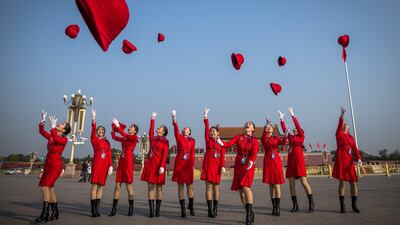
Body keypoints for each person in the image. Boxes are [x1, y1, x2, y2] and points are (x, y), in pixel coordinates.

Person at [36, 110, 71, 223]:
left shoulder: (64, 139)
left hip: (56, 165)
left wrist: (52, 126)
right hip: (48, 163)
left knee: (45, 187)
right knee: (50, 188)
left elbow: (56, 139)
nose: (58, 124)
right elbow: (41, 132)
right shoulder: (52, 135)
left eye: (61, 124)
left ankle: (45, 213)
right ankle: (55, 212)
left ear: (64, 130)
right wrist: (43, 120)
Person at [222, 120, 258, 225]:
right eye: (246, 123)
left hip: (248, 165)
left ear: (253, 129)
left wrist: (251, 161)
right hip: (239, 165)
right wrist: (220, 142)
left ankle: (248, 217)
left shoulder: (255, 140)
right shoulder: (239, 137)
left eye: (250, 124)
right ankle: (250, 211)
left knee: (246, 186)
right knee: (241, 192)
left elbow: (254, 152)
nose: (248, 124)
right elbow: (228, 144)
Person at [281, 107, 314, 212]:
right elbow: (285, 130)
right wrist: (281, 119)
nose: (295, 130)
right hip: (291, 162)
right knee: (291, 183)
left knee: (304, 182)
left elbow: (298, 126)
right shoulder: (290, 137)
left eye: (296, 130)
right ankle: (295, 205)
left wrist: (293, 115)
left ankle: (311, 203)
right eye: (294, 130)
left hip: (299, 161)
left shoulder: (301, 136)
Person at [332, 106, 362, 213]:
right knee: (342, 184)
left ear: (349, 128)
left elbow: (355, 149)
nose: (345, 125)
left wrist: (359, 158)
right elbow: (340, 124)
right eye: (344, 124)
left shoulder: (351, 138)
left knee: (353, 183)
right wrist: (342, 115)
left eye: (347, 125)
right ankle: (342, 206)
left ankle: (354, 205)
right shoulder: (339, 134)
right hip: (341, 160)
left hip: (349, 162)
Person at [140, 112, 169, 218]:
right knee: (150, 187)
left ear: (164, 131)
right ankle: (151, 210)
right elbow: (151, 131)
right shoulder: (153, 138)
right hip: (150, 164)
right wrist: (152, 119)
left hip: (159, 166)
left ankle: (158, 210)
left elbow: (165, 154)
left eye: (161, 127)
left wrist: (162, 166)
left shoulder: (165, 141)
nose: (159, 128)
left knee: (159, 188)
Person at [109, 118, 139, 216]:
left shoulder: (135, 138)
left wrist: (118, 126)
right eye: (130, 127)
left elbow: (124, 134)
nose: (129, 128)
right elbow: (114, 137)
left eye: (132, 127)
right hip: (121, 161)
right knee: (117, 185)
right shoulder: (125, 138)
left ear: (135, 131)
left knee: (128, 186)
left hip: (128, 161)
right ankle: (114, 209)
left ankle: (131, 208)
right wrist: (114, 127)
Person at [261, 112, 287, 216]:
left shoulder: (276, 138)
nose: (270, 127)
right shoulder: (264, 138)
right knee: (271, 185)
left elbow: (284, 142)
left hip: (276, 160)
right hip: (268, 160)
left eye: (271, 126)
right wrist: (266, 125)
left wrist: (286, 135)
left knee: (277, 185)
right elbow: (263, 136)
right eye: (269, 127)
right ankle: (273, 207)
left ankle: (278, 208)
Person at [201, 108, 226, 218]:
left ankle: (215, 207)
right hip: (208, 166)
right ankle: (209, 209)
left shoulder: (221, 143)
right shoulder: (208, 140)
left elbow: (223, 156)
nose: (211, 132)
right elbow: (206, 128)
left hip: (216, 168)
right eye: (211, 131)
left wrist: (223, 166)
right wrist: (206, 117)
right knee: (208, 188)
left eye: (214, 131)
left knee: (216, 188)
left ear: (218, 133)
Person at [171, 110, 196, 218]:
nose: (185, 129)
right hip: (180, 163)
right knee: (180, 186)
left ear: (190, 132)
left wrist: (193, 164)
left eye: (187, 129)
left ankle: (191, 205)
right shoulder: (179, 137)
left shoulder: (193, 141)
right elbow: (175, 128)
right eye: (184, 128)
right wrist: (174, 118)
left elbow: (193, 153)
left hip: (188, 164)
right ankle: (182, 209)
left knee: (189, 187)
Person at [90, 109, 113, 217]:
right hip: (97, 164)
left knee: (101, 187)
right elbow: (93, 129)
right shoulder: (94, 139)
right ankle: (93, 210)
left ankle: (97, 209)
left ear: (104, 132)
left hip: (105, 166)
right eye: (99, 130)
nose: (100, 131)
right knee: (94, 186)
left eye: (102, 130)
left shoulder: (107, 142)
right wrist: (94, 120)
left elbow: (109, 154)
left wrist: (111, 166)